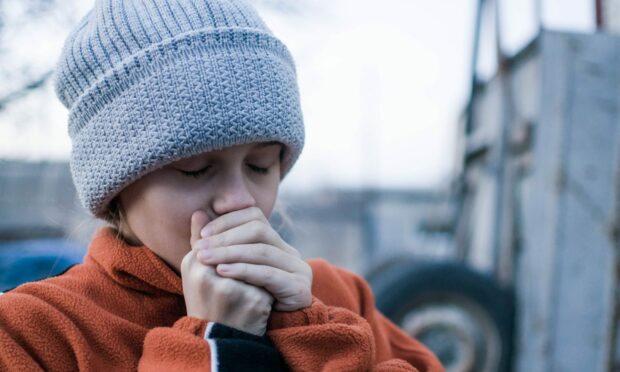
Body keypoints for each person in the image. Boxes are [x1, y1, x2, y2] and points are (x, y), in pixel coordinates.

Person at [0, 0, 444, 371]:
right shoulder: (32, 333)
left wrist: (311, 333)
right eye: (194, 169)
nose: (240, 201)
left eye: (260, 166)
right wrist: (213, 344)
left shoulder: (338, 297)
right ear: (116, 185)